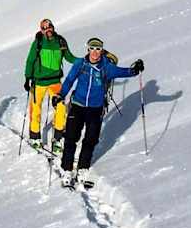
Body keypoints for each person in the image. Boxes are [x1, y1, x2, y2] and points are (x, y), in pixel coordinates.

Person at [52, 37, 144, 186]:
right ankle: (67, 169)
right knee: (70, 137)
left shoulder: (106, 67)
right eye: (92, 48)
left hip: (96, 108)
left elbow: (124, 72)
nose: (95, 52)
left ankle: (82, 168)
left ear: (102, 50)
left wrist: (135, 69)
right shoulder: (80, 64)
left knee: (91, 139)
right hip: (78, 105)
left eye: (98, 49)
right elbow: (69, 80)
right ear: (88, 49)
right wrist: (60, 95)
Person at [23, 18, 75, 151]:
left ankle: (57, 139)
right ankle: (35, 137)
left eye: (49, 27)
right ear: (41, 30)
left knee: (61, 108)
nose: (48, 30)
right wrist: (27, 78)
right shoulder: (38, 43)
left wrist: (83, 61)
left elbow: (69, 57)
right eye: (44, 28)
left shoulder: (60, 41)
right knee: (36, 109)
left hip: (55, 82)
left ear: (53, 27)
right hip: (39, 82)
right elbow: (30, 60)